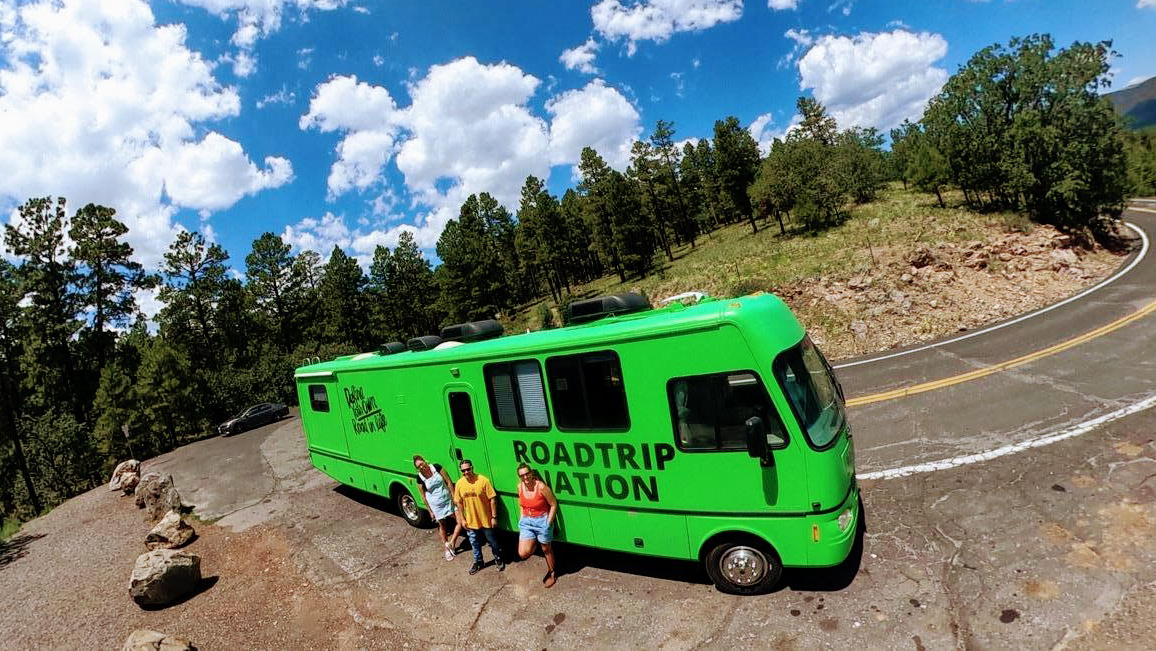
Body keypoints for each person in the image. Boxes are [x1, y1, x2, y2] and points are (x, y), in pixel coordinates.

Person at [453, 459, 505, 575]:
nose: (466, 472)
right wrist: (462, 519)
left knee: (492, 542)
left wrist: (494, 517)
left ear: (472, 468)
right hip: (470, 522)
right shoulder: (459, 484)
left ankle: (498, 559)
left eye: (468, 469)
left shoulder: (483, 480)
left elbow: (492, 499)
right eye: (463, 471)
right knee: (474, 544)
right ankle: (479, 562)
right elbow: (459, 503)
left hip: (485, 520)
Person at [516, 463, 559, 588]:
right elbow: (521, 504)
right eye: (522, 475)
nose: (525, 477)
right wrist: (522, 517)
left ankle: (552, 573)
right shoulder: (519, 487)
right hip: (526, 521)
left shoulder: (541, 487)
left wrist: (548, 523)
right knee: (523, 553)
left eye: (527, 474)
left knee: (546, 549)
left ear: (531, 473)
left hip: (541, 521)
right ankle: (534, 541)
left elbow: (553, 504)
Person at [413, 455, 462, 561]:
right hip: (436, 505)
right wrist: (430, 511)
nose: (421, 467)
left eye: (421, 464)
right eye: (418, 467)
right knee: (442, 526)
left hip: (448, 499)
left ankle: (451, 542)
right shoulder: (419, 478)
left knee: (460, 521)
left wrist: (454, 496)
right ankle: (446, 549)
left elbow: (448, 482)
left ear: (424, 461)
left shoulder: (436, 467)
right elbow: (423, 496)